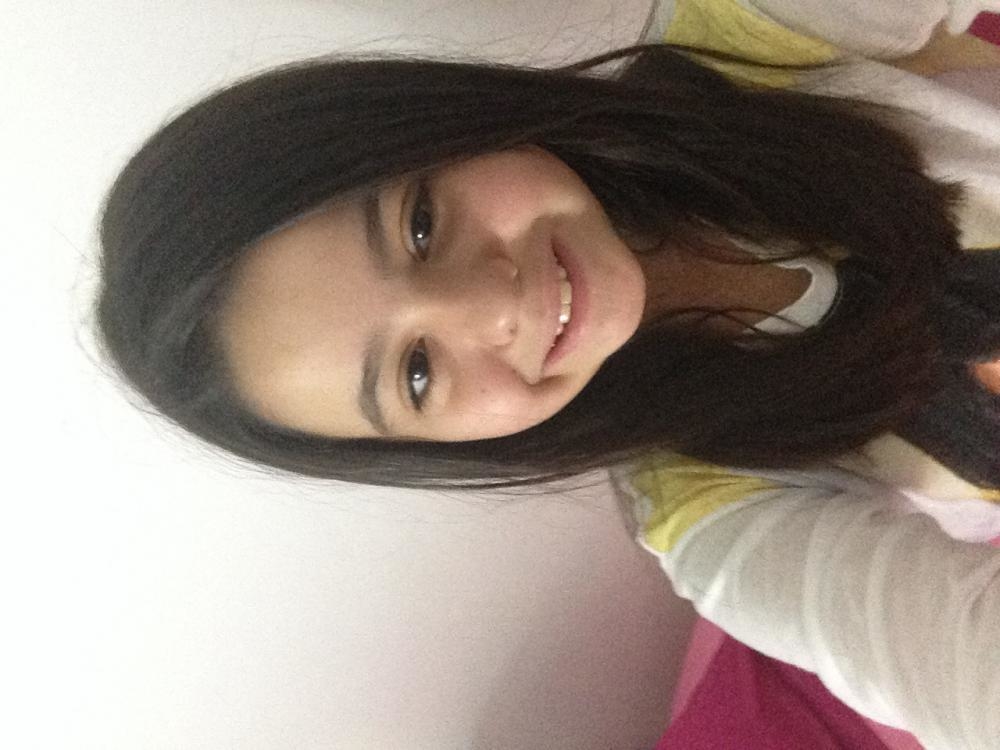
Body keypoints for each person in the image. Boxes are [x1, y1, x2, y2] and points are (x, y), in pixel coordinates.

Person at [94, 1, 1000, 747]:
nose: (491, 307)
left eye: (419, 226)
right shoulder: (714, 515)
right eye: (417, 373)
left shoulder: (751, 34)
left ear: (440, 127)